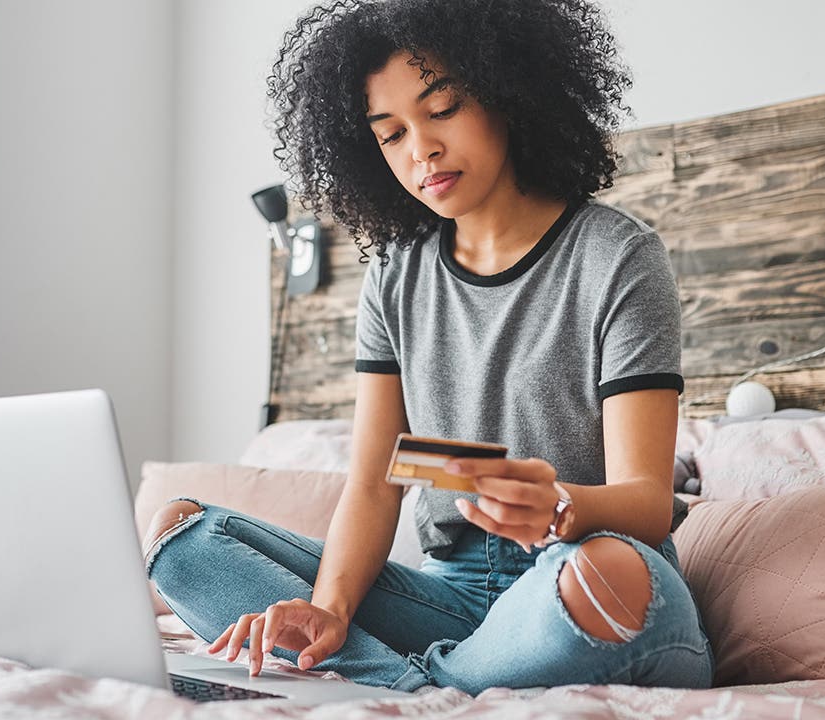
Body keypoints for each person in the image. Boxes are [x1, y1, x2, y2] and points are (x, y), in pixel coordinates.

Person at [144, 0, 714, 694]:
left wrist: (562, 506)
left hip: (576, 574)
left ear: (510, 94)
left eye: (442, 108)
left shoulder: (618, 256)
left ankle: (393, 686)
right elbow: (375, 485)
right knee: (182, 539)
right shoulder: (393, 274)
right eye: (390, 135)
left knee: (613, 575)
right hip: (448, 597)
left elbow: (649, 502)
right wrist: (328, 609)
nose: (421, 150)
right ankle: (429, 687)